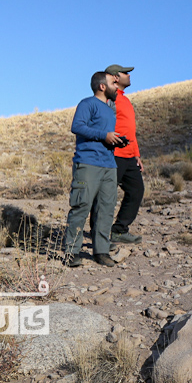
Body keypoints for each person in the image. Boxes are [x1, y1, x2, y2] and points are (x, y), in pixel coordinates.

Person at [63, 71, 122, 267]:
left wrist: (116, 141)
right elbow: (77, 126)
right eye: (113, 83)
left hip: (109, 165)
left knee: (106, 209)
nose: (116, 86)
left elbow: (105, 135)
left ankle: (101, 252)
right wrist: (104, 135)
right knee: (81, 206)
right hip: (88, 163)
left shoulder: (110, 109)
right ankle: (71, 252)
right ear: (102, 86)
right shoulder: (87, 104)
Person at [92, 64, 145, 246]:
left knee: (136, 190)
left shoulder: (125, 100)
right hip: (113, 155)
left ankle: (119, 230)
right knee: (105, 196)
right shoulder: (109, 99)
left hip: (129, 157)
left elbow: (130, 130)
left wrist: (136, 154)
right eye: (125, 73)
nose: (129, 75)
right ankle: (98, 235)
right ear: (115, 77)